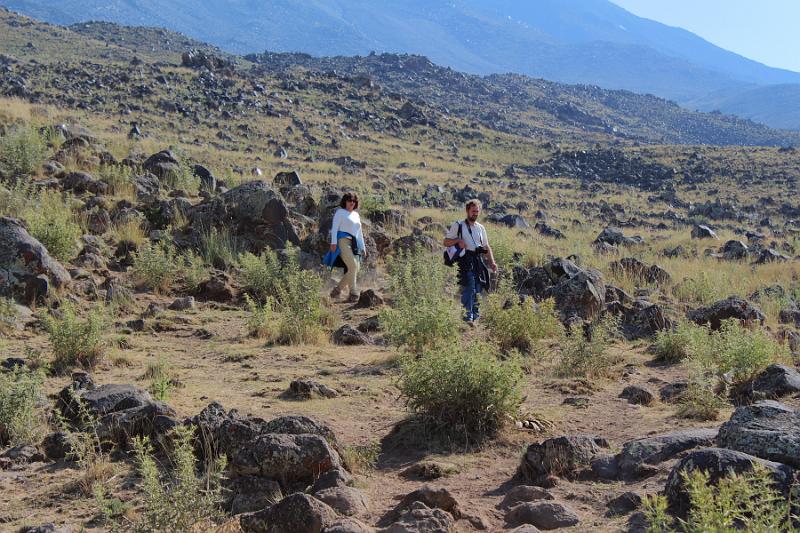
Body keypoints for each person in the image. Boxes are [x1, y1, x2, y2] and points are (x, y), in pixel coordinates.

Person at [443, 199, 497, 325]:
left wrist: (492, 262)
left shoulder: (481, 228)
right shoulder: (458, 225)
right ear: (467, 211)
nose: (475, 214)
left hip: (478, 260)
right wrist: (457, 241)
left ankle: (475, 316)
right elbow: (446, 242)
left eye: (477, 211)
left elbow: (486, 246)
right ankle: (467, 318)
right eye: (473, 211)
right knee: (469, 286)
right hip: (464, 260)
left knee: (479, 287)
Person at [328, 191, 366, 302]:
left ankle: (337, 290)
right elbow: (334, 228)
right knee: (353, 266)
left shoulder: (356, 215)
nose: (352, 203)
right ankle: (353, 293)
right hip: (342, 241)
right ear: (345, 201)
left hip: (354, 243)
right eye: (350, 200)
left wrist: (363, 247)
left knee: (356, 268)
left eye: (354, 201)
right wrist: (333, 243)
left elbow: (359, 233)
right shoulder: (340, 212)